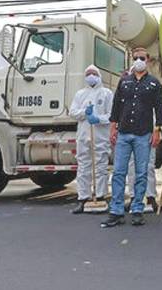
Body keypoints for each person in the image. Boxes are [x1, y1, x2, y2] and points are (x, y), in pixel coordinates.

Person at [101, 48, 162, 228]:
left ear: (148, 60)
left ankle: (137, 209)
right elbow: (116, 106)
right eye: (136, 57)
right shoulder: (124, 82)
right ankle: (116, 211)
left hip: (143, 134)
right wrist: (113, 127)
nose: (138, 60)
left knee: (141, 173)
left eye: (142, 58)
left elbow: (159, 109)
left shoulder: (154, 84)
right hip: (124, 133)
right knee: (119, 172)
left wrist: (157, 130)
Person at [69, 65, 114, 214]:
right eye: (88, 74)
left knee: (100, 166)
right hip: (83, 136)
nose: (91, 76)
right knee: (83, 167)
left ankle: (100, 197)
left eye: (94, 73)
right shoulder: (80, 94)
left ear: (99, 75)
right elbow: (73, 112)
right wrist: (85, 113)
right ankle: (83, 198)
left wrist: (98, 119)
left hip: (100, 136)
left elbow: (112, 115)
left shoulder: (107, 93)